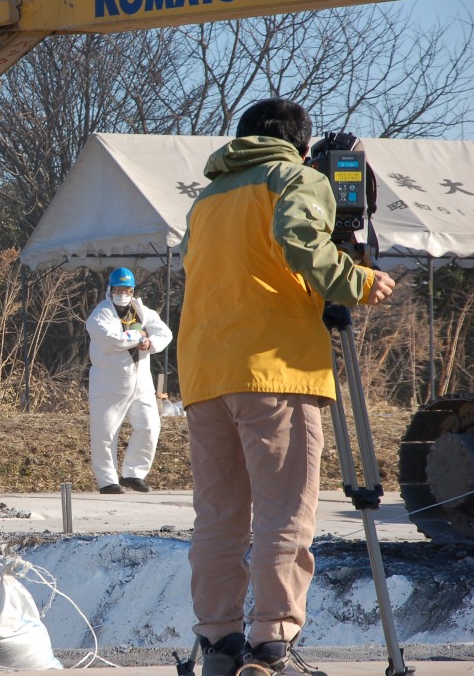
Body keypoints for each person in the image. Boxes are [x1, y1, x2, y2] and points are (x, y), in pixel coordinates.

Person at [178, 98, 395, 676]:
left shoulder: (208, 199)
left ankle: (219, 645)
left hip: (204, 373)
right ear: (302, 148)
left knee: (219, 517)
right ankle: (271, 646)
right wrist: (357, 281)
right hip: (275, 369)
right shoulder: (293, 178)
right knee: (284, 513)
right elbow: (300, 236)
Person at [86, 267, 173, 495]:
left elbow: (165, 333)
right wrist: (139, 337)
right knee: (105, 432)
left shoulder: (142, 311)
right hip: (109, 383)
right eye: (118, 289)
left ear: (133, 290)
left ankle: (133, 474)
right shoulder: (100, 314)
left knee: (149, 426)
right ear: (110, 289)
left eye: (126, 289)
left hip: (141, 382)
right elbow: (109, 340)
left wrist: (150, 342)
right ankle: (107, 481)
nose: (122, 293)